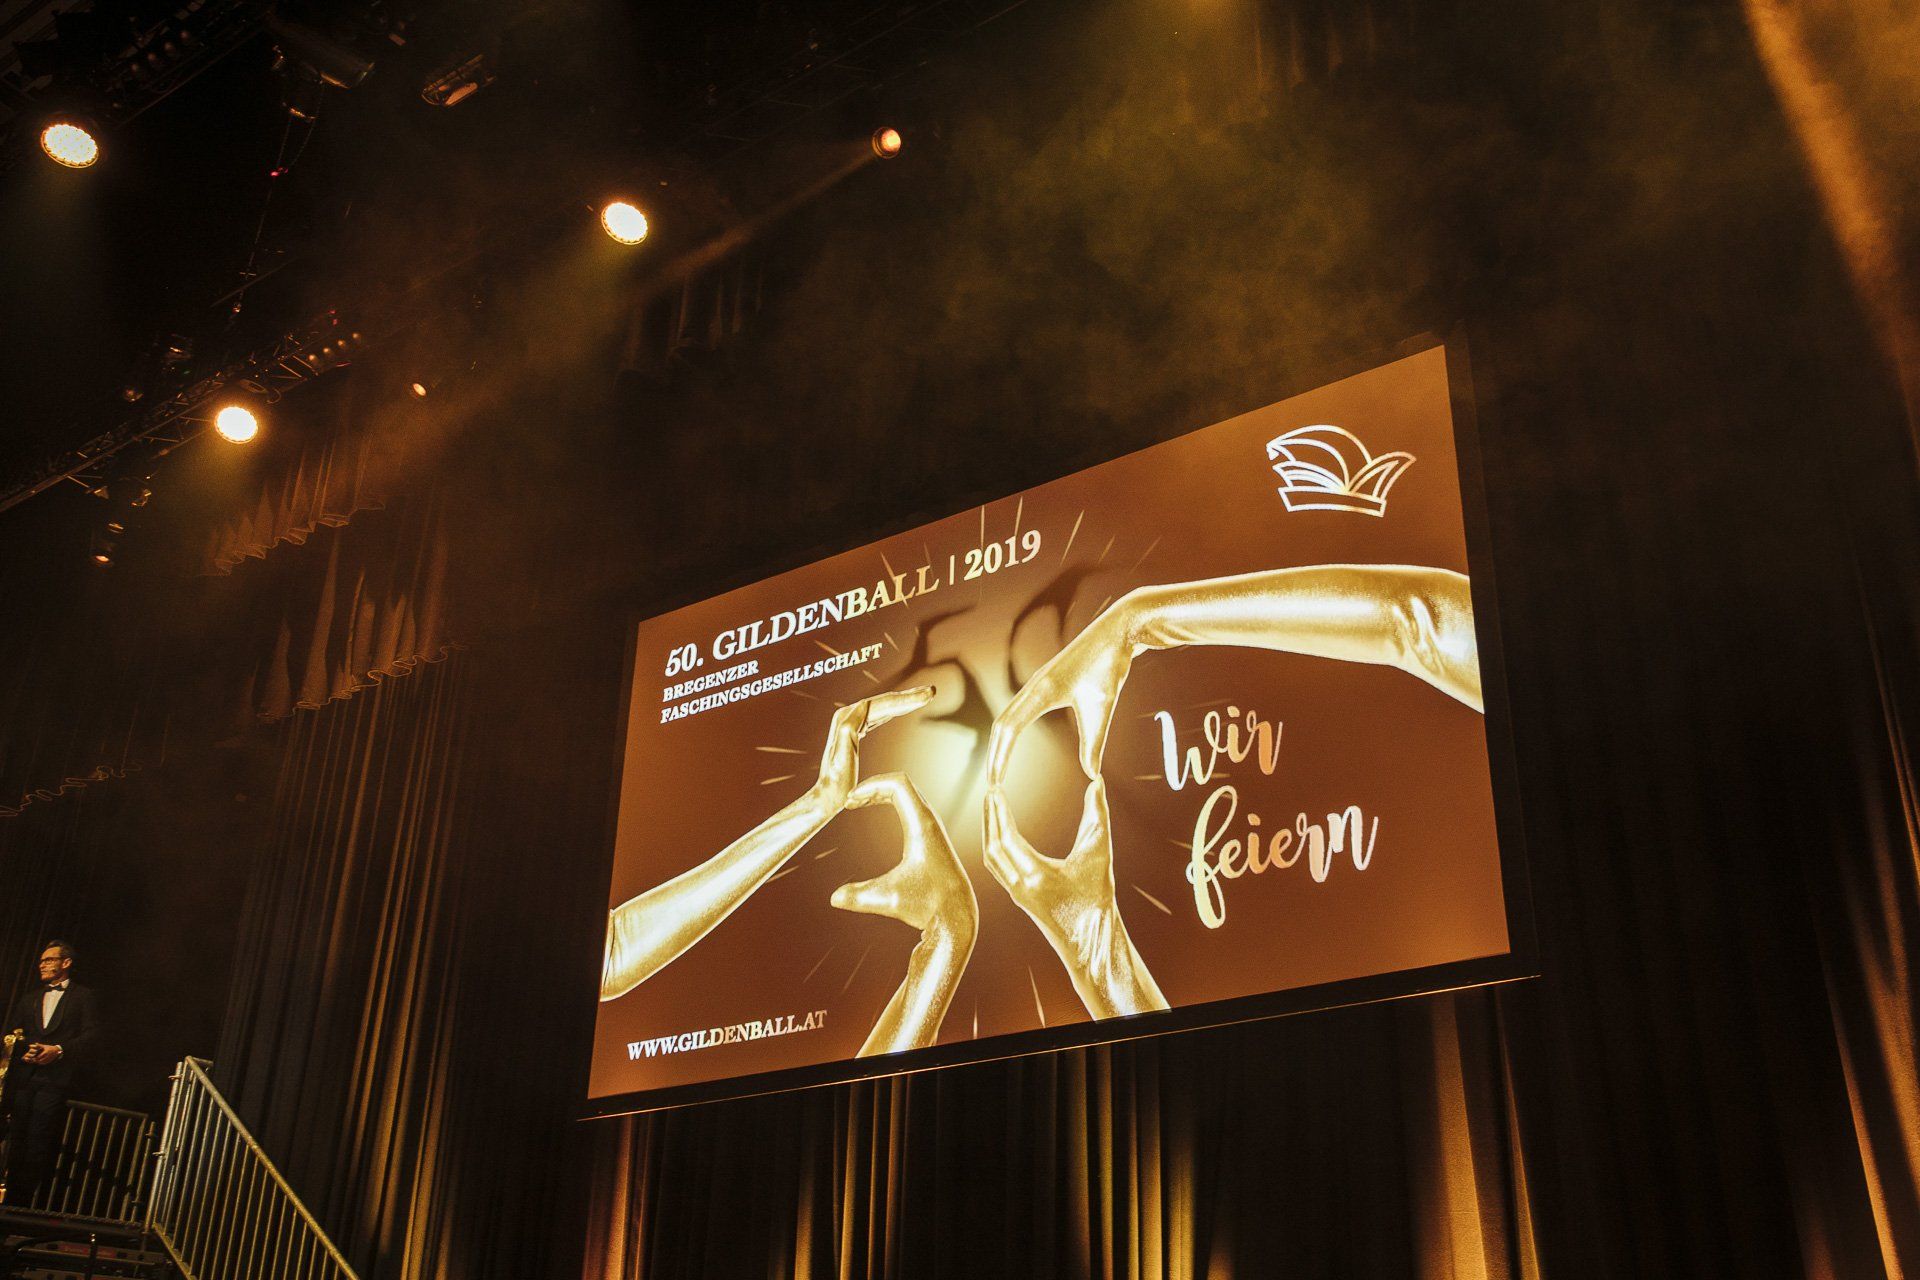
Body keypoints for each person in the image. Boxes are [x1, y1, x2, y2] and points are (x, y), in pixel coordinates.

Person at [3, 941, 101, 1206]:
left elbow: (92, 1036)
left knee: (40, 1140)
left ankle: (26, 1205)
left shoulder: (83, 996)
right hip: (25, 1080)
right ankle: (9, 1202)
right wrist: (22, 1052)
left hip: (56, 1080)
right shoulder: (30, 998)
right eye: (41, 961)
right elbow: (12, 1035)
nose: (42, 965)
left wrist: (58, 1050)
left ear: (66, 963)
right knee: (17, 1139)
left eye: (48, 960)